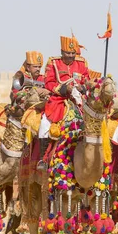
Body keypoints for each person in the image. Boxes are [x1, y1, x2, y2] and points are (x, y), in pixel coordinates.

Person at [37, 36, 89, 170]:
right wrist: (65, 88)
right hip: (58, 100)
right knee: (44, 125)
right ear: (62, 51)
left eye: (73, 53)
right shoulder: (54, 62)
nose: (71, 56)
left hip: (78, 102)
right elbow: (49, 83)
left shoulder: (82, 63)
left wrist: (82, 88)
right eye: (68, 53)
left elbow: (87, 81)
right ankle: (42, 159)